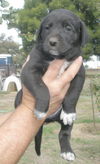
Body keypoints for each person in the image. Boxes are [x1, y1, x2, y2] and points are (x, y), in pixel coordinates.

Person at [0, 56, 83, 164]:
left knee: (66, 126)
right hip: (41, 105)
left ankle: (64, 140)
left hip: (60, 109)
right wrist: (29, 106)